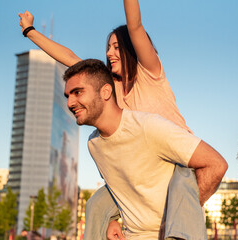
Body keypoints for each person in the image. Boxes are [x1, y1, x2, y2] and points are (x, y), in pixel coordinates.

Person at [19, 1, 209, 239]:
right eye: (108, 48)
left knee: (180, 185)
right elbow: (70, 58)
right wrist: (30, 32)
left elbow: (135, 26)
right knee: (96, 205)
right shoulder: (109, 88)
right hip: (142, 172)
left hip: (177, 162)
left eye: (116, 47)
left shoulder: (150, 73)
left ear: (131, 48)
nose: (109, 53)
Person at [63, 58, 227, 240]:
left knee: (184, 173)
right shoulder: (94, 144)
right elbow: (119, 188)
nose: (70, 103)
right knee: (94, 203)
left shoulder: (148, 126)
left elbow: (216, 164)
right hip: (133, 235)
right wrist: (110, 220)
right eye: (68, 95)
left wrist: (180, 217)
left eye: (77, 92)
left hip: (174, 235)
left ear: (106, 92)